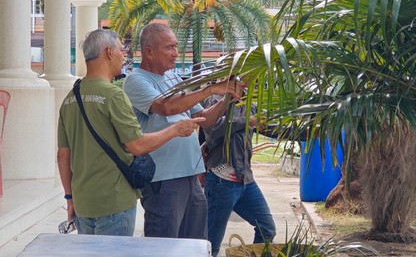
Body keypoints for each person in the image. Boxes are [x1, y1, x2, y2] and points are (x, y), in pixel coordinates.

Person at [57, 29, 205, 236]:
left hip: (84, 200)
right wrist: (176, 129)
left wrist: (69, 197)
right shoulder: (113, 95)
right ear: (109, 52)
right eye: (120, 49)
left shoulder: (70, 99)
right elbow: (137, 145)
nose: (123, 55)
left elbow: (63, 155)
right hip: (114, 199)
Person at [123, 23, 243, 239]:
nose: (176, 53)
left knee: (194, 243)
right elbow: (166, 107)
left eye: (176, 46)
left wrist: (226, 97)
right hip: (163, 178)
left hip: (191, 174)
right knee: (163, 246)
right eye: (169, 47)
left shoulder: (172, 78)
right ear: (149, 52)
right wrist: (210, 88)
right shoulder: (135, 80)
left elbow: (205, 119)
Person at [200, 94, 276, 257]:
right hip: (221, 181)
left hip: (246, 181)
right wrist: (247, 121)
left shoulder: (251, 105)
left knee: (267, 229)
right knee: (211, 243)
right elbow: (213, 128)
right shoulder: (216, 101)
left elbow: (271, 127)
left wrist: (308, 131)